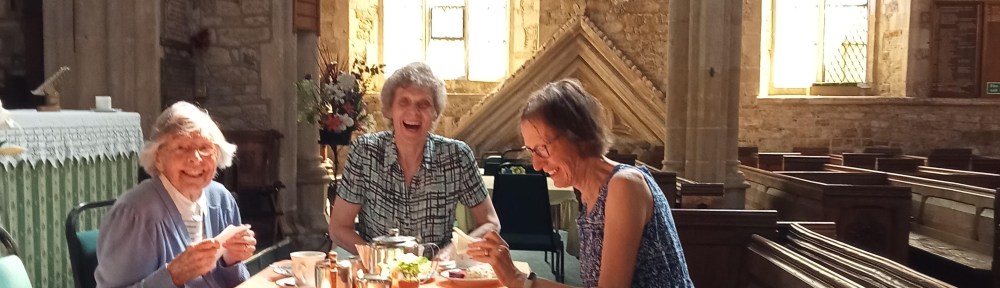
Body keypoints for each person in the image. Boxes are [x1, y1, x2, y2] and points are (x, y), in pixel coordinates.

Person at [469, 79, 694, 287]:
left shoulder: (624, 185)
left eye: (542, 149)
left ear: (579, 137)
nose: (536, 165)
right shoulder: (589, 194)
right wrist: (519, 279)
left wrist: (519, 279)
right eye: (531, 151)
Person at [329, 62, 500, 260]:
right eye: (404, 102)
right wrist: (377, 259)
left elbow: (491, 223)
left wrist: (452, 252)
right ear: (389, 109)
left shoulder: (457, 156)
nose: (414, 112)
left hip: (436, 272)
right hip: (379, 273)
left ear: (435, 112)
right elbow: (339, 228)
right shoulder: (365, 152)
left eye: (424, 104)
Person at [95, 101, 256, 288]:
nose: (195, 158)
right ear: (158, 158)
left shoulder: (221, 200)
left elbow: (238, 283)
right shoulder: (135, 213)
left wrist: (232, 261)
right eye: (181, 147)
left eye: (205, 147)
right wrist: (174, 275)